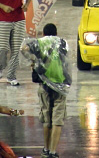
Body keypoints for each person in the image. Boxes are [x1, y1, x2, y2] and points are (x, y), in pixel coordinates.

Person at [21, 23, 71, 158]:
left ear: (43, 33)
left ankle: (46, 149)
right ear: (56, 32)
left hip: (44, 84)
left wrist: (34, 61)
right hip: (60, 84)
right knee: (57, 120)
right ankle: (53, 152)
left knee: (46, 118)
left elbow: (23, 48)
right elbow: (65, 61)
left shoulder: (39, 43)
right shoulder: (63, 43)